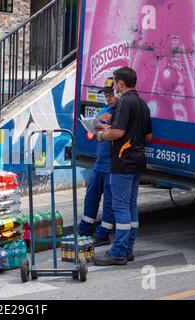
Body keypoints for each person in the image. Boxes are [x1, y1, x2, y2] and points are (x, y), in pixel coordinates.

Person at [94, 67, 152, 266]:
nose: (115, 87)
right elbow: (148, 136)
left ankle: (118, 251)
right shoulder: (142, 103)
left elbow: (118, 132)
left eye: (116, 82)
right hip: (137, 162)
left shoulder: (124, 103)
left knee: (120, 207)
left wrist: (102, 134)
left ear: (121, 83)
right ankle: (128, 249)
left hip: (123, 162)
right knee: (130, 206)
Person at [78, 77, 118, 247]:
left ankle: (103, 233)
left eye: (111, 94)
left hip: (113, 164)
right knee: (91, 196)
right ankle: (84, 230)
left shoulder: (122, 111)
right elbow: (94, 125)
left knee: (109, 200)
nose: (108, 97)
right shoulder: (105, 110)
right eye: (106, 94)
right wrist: (99, 120)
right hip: (100, 161)